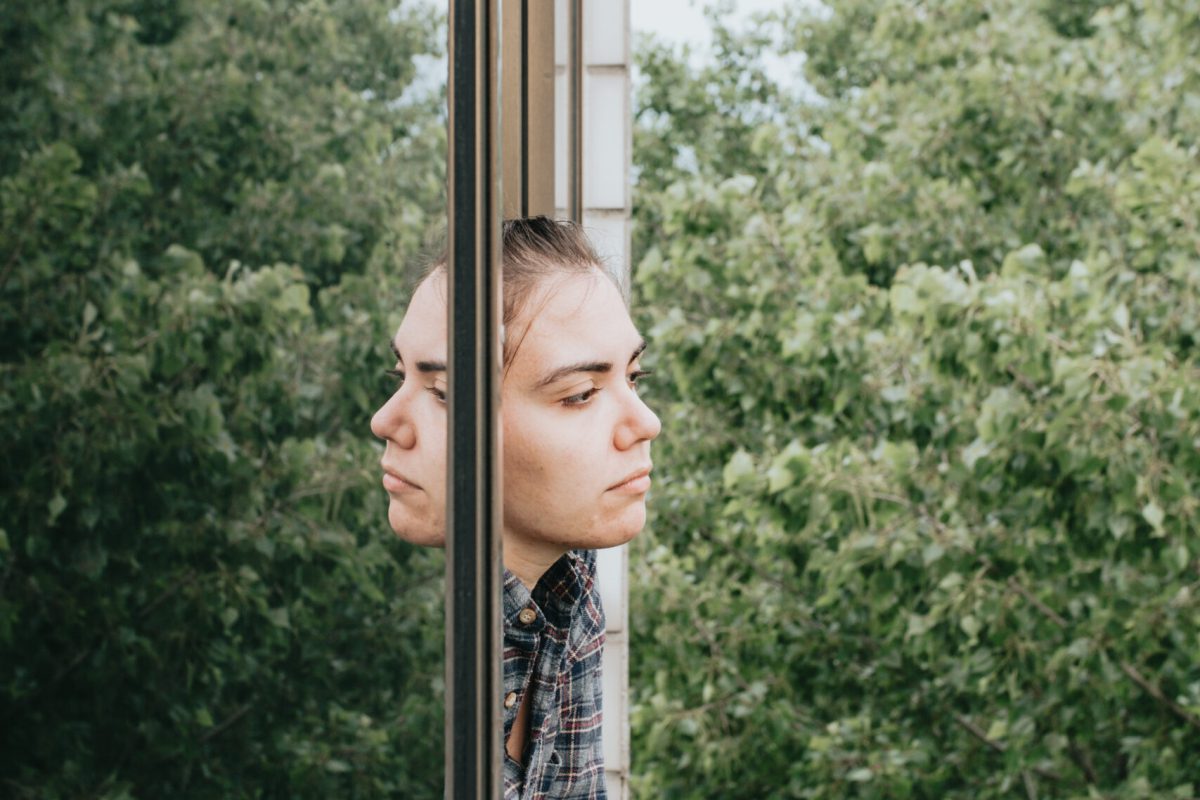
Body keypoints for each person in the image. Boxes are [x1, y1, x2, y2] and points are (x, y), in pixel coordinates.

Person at [370, 217, 661, 799]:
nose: (646, 423)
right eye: (581, 394)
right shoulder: (387, 674)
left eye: (634, 377)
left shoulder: (565, 593)